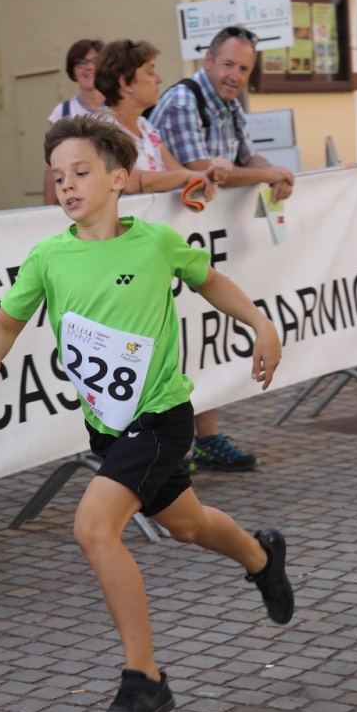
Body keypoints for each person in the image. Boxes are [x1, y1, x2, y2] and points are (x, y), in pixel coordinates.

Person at [0, 114, 294, 712]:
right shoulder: (48, 257)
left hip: (161, 418)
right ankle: (261, 557)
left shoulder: (155, 243)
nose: (67, 185)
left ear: (120, 179)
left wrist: (261, 324)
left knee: (93, 527)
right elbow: (8, 319)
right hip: (109, 427)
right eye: (58, 176)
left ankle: (145, 678)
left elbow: (212, 282)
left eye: (81, 172)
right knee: (188, 524)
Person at [150, 25, 295, 472]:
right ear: (209, 60)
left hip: (198, 240)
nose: (235, 75)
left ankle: (204, 440)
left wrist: (276, 171)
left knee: (199, 335)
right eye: (229, 64)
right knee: (175, 340)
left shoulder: (229, 103)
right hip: (165, 241)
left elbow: (245, 159)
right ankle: (165, 449)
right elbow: (206, 171)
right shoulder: (183, 100)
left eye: (244, 69)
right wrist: (268, 175)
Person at [93, 39, 230, 196]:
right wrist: (188, 176)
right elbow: (129, 181)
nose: (159, 79)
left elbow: (178, 174)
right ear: (125, 83)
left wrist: (211, 173)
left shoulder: (145, 128)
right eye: (150, 73)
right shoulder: (101, 129)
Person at [44, 38, 106, 205]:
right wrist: (48, 211)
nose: (89, 67)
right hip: (76, 200)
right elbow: (52, 166)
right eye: (81, 62)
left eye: (95, 61)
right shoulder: (62, 112)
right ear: (73, 70)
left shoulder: (118, 109)